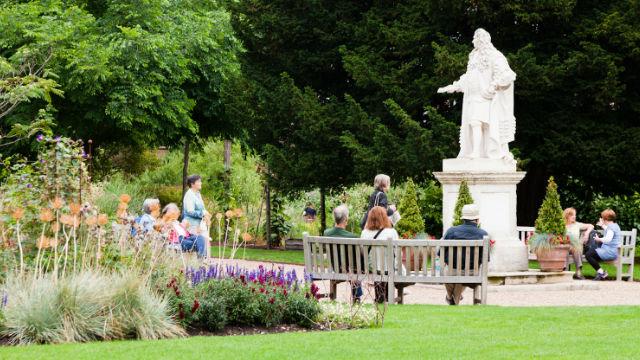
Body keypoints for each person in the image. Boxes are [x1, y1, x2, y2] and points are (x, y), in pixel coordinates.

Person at [437, 28, 517, 160]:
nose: (473, 41)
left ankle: (478, 152)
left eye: (476, 38)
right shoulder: (473, 57)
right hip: (473, 97)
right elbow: (468, 77)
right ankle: (476, 151)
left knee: (480, 123)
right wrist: (453, 86)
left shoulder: (495, 56)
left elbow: (507, 74)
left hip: (486, 97)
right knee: (475, 123)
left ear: (482, 40)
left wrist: (493, 85)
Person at [442, 204, 488, 305]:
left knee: (450, 271)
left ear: (463, 218)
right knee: (462, 274)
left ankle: (450, 297)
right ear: (477, 219)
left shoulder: (451, 231)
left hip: (451, 272)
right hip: (472, 273)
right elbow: (485, 259)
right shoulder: (483, 234)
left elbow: (441, 253)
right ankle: (453, 298)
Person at [360, 206, 400, 303]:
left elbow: (362, 251)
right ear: (384, 218)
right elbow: (397, 252)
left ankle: (380, 298)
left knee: (377, 266)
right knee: (388, 265)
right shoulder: (392, 232)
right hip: (388, 269)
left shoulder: (365, 233)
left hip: (371, 268)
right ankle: (385, 298)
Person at [324, 205, 362, 302]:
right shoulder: (353, 237)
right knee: (355, 270)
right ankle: (356, 298)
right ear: (346, 219)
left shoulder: (326, 233)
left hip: (335, 269)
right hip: (350, 271)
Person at [585, 209, 621, 281]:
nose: (601, 219)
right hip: (610, 251)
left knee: (588, 255)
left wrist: (599, 239)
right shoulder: (614, 226)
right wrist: (602, 225)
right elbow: (608, 230)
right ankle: (601, 272)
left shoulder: (611, 228)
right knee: (591, 251)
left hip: (609, 252)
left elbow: (608, 239)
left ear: (605, 219)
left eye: (602, 218)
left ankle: (601, 273)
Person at [563, 207, 594, 280]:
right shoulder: (562, 225)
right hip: (565, 245)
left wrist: (586, 233)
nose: (575, 216)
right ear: (567, 216)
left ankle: (578, 271)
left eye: (575, 215)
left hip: (575, 246)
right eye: (572, 215)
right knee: (564, 249)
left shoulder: (577, 224)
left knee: (577, 247)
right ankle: (564, 271)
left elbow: (591, 226)